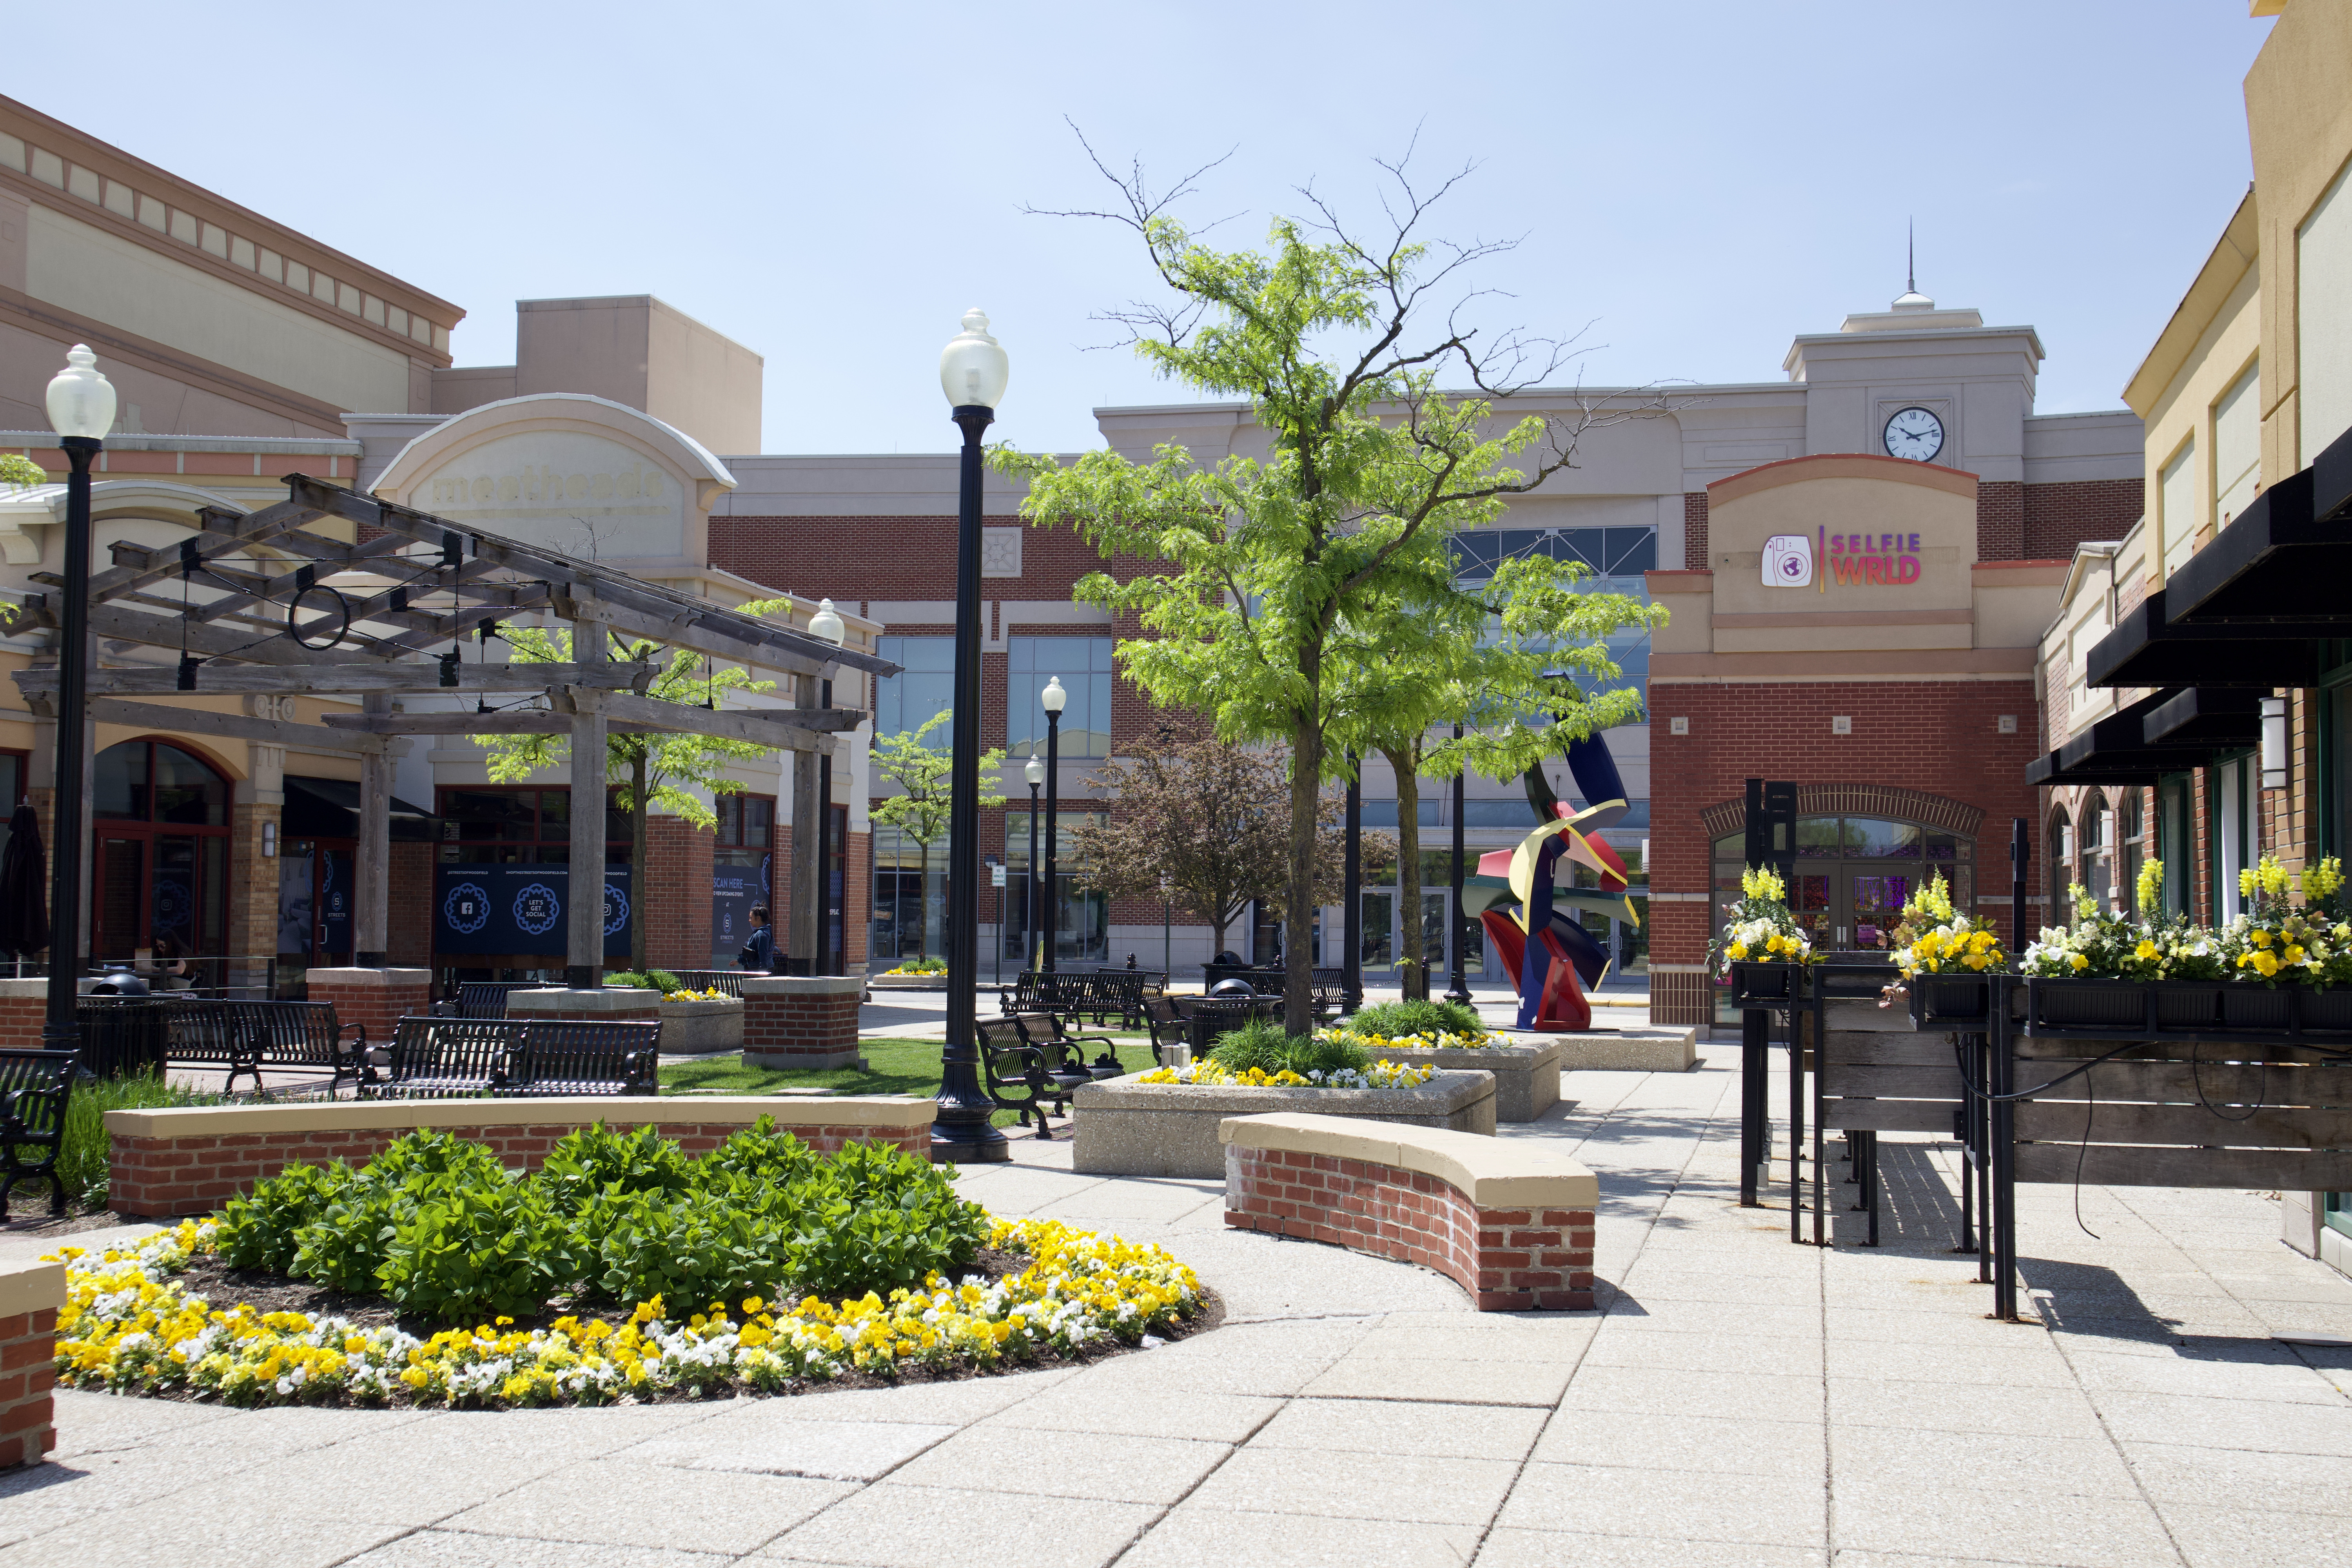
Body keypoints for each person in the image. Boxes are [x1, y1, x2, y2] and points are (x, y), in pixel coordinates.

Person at [738, 904, 778, 973]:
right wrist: (739, 961)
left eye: (751, 918)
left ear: (758, 918)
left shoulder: (762, 935)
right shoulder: (760, 933)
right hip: (756, 970)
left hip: (760, 972)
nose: (750, 920)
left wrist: (762, 974)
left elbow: (763, 956)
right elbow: (753, 954)